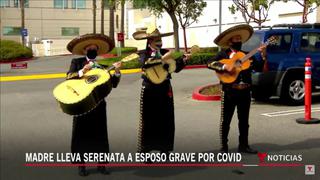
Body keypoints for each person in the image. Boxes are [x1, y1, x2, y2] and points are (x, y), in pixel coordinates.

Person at [66, 33, 122, 176]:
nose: (92, 51)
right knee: (81, 134)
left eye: (95, 49)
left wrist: (116, 71)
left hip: (98, 104)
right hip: (82, 104)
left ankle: (101, 164)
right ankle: (81, 165)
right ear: (84, 51)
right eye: (89, 48)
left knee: (100, 134)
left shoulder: (103, 67)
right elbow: (68, 77)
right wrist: (82, 71)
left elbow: (113, 84)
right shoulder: (77, 62)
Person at [132, 26, 191, 159]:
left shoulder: (166, 52)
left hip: (165, 88)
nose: (159, 42)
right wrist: (161, 59)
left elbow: (175, 68)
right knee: (148, 120)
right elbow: (144, 64)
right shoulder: (143, 53)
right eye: (156, 39)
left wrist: (184, 61)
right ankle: (145, 152)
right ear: (150, 41)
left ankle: (164, 150)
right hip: (149, 90)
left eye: (160, 39)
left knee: (166, 119)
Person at [207, 24, 267, 154]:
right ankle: (224, 147)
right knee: (225, 121)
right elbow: (209, 63)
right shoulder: (223, 54)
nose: (239, 41)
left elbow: (259, 67)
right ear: (230, 41)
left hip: (245, 92)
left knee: (244, 121)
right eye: (236, 39)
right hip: (229, 91)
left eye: (240, 39)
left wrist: (262, 54)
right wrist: (224, 67)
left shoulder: (246, 55)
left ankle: (244, 145)